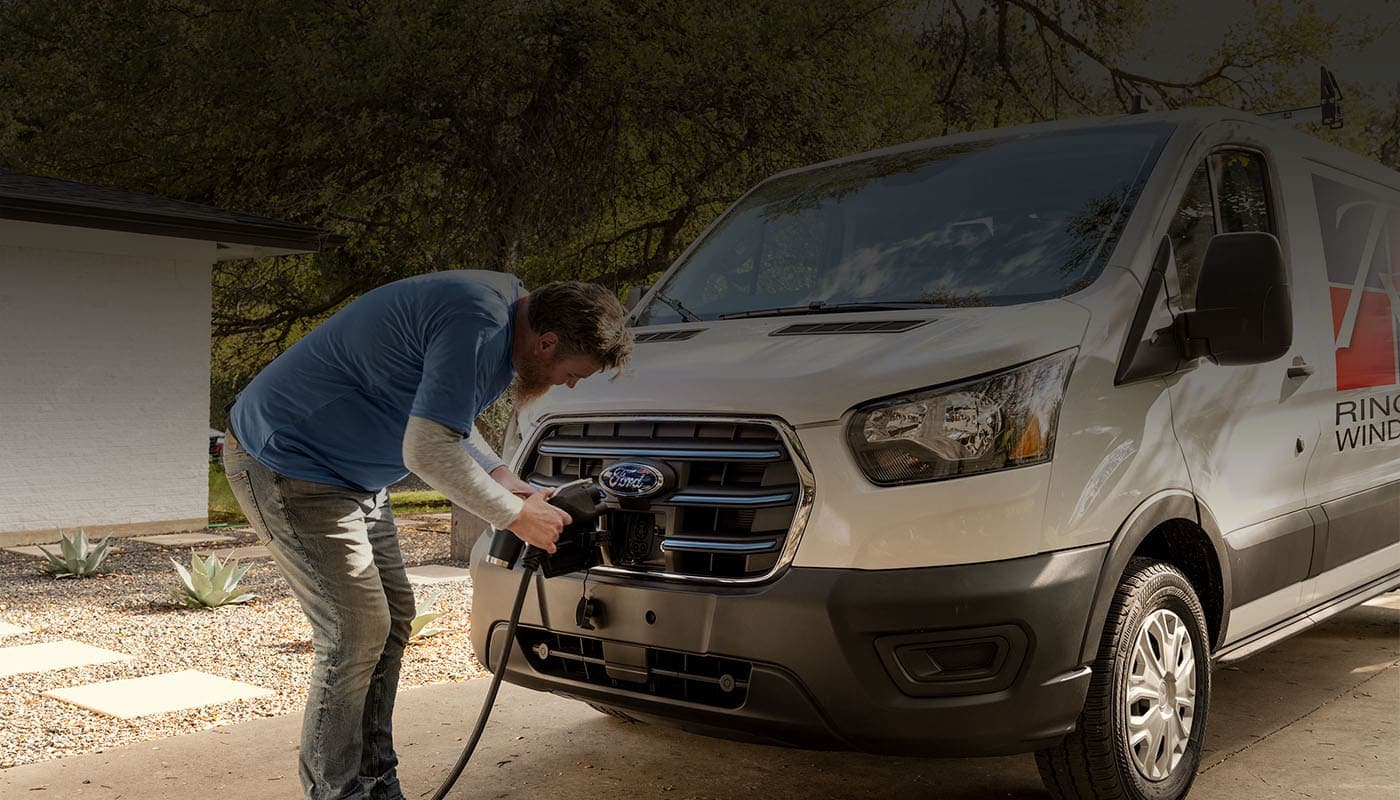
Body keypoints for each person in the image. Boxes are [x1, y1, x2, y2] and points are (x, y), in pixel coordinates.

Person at [220, 271, 633, 800]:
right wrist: (514, 516)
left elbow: (445, 424)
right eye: (571, 373)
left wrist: (505, 482)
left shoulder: (503, 312)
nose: (568, 384)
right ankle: (338, 792)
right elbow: (426, 452)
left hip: (353, 477)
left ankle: (374, 784)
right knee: (355, 631)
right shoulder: (479, 325)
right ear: (546, 342)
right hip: (290, 465)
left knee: (392, 622)